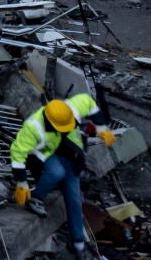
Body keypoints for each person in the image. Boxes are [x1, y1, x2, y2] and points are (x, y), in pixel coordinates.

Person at [11, 94, 116, 258]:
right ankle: (36, 198)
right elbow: (17, 152)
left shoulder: (71, 109)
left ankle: (78, 245)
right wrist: (22, 182)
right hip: (44, 153)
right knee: (56, 172)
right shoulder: (33, 127)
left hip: (68, 153)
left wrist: (101, 126)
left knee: (74, 199)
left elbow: (90, 103)